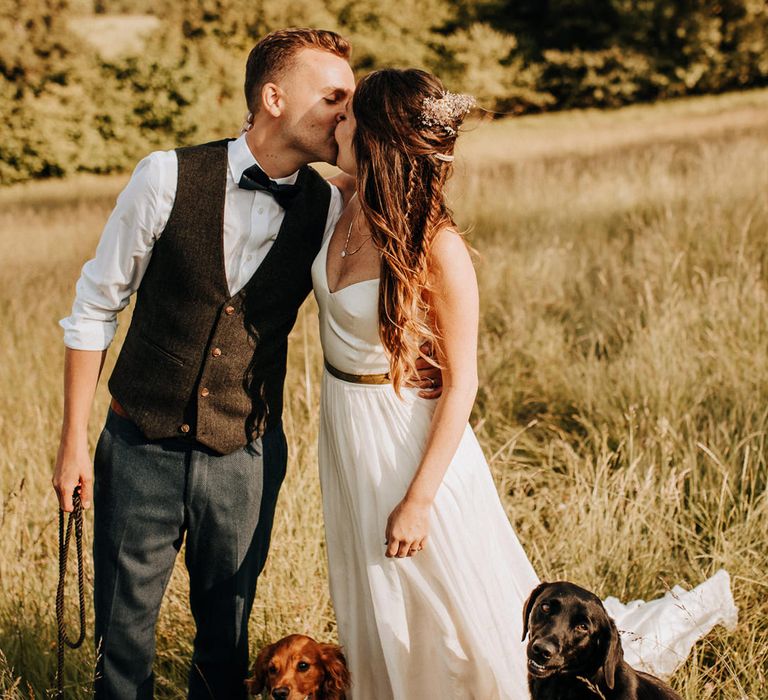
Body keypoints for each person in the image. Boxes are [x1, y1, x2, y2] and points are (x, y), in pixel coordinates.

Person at [312, 68, 738, 699]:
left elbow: (463, 382)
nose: (334, 122)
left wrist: (420, 500)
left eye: (347, 116)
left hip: (410, 443)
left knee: (449, 604)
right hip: (348, 428)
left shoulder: (437, 245)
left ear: (377, 140)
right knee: (376, 590)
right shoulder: (344, 197)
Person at [52, 28, 360, 700]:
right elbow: (94, 307)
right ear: (273, 97)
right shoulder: (165, 174)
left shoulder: (333, 205)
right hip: (138, 444)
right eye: (334, 96)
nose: (346, 110)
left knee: (227, 634)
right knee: (122, 636)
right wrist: (74, 441)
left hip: (245, 454)